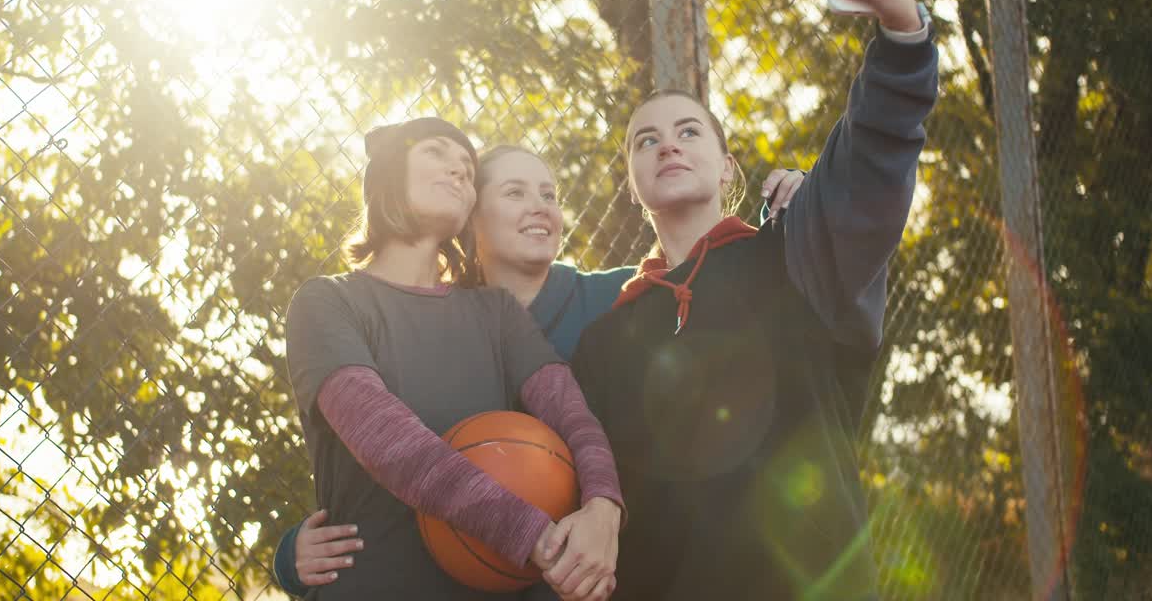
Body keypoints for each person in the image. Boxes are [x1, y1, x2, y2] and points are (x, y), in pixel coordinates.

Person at [571, 0, 938, 600]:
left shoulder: (793, 257)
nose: (667, 146)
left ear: (726, 167)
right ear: (631, 185)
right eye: (644, 141)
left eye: (689, 132)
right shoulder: (602, 341)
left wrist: (902, 33)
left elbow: (868, 166)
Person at [276, 140, 808, 598]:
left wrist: (795, 213)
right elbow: (384, 441)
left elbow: (721, 284)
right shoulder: (348, 303)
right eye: (513, 192)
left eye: (550, 194)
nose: (541, 208)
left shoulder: (625, 298)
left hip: (633, 568)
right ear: (473, 217)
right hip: (496, 569)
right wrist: (290, 556)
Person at [283, 117, 625, 601]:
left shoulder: (495, 311)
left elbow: (570, 413)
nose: (458, 169)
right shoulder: (327, 302)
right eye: (436, 153)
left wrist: (602, 510)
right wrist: (537, 539)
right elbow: (386, 439)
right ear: (387, 176)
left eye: (467, 166)